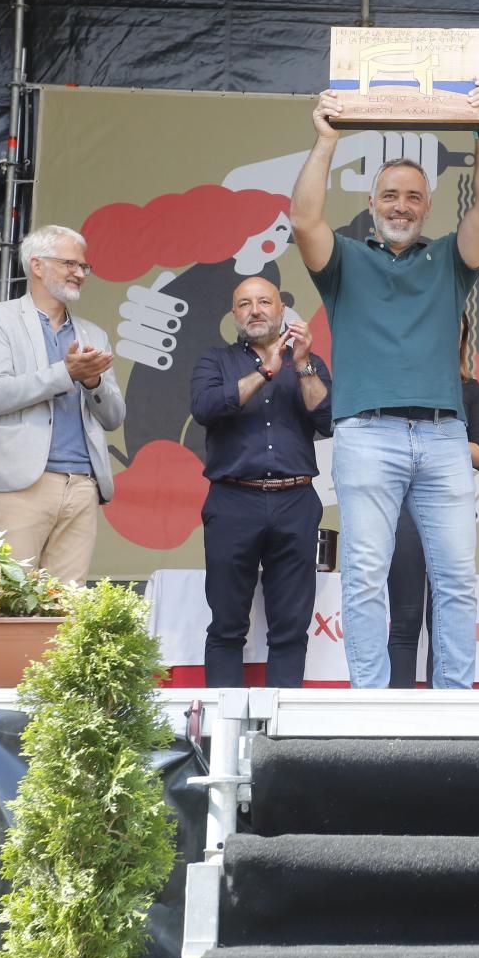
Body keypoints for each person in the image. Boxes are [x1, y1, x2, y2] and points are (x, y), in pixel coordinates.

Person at [290, 80, 479, 689]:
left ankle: (455, 701)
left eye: (413, 196)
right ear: (373, 202)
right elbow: (304, 217)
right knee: (363, 573)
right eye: (390, 195)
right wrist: (326, 139)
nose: (401, 205)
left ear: (427, 206)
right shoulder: (345, 263)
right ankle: (369, 703)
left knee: (458, 577)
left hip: (442, 438)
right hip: (367, 434)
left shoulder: (450, 263)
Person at [188, 276, 332, 687]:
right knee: (227, 625)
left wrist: (301, 364)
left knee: (290, 627)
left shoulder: (309, 362)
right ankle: (222, 737)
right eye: (245, 304)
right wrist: (266, 371)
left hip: (295, 500)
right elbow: (207, 407)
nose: (255, 310)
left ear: (281, 310)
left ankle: (280, 740)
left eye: (264, 302)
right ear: (234, 315)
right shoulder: (214, 361)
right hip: (234, 501)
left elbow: (326, 419)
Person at [0, 225, 124, 587]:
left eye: (84, 267)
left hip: (83, 485)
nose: (80, 274)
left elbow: (114, 417)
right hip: (20, 485)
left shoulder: (92, 334)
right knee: (8, 601)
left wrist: (93, 381)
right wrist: (65, 372)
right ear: (36, 265)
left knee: (66, 612)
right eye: (70, 263)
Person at [387, 314, 479, 688]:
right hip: (402, 511)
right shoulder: (399, 382)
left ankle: (443, 712)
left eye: (456, 331)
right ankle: (394, 719)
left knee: (447, 614)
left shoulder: (468, 389)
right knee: (405, 614)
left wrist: (440, 448)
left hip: (451, 506)